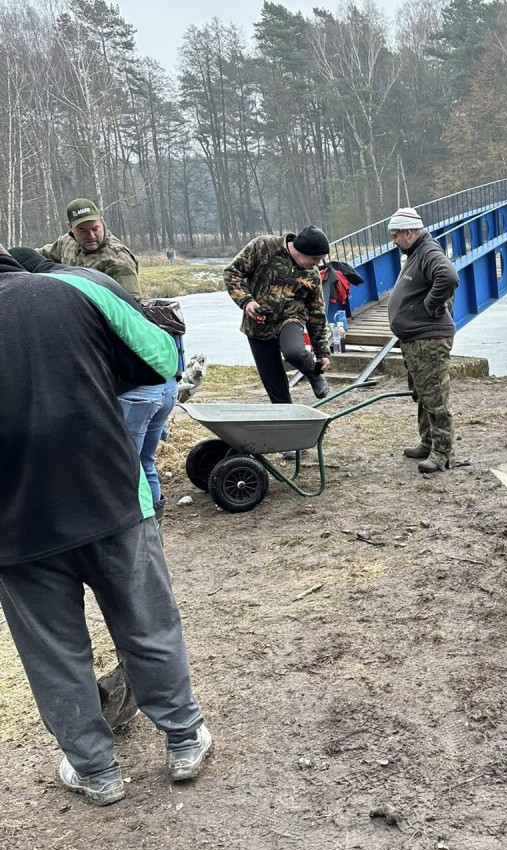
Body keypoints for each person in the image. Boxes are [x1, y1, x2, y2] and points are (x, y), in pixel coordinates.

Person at [0, 244, 212, 806]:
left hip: (15, 529)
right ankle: (184, 740)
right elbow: (162, 357)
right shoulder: (74, 287)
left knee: (53, 651)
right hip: (111, 495)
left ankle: (96, 771)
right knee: (147, 624)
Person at [9, 248, 176, 520]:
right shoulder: (89, 277)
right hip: (165, 387)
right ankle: (154, 523)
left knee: (122, 470)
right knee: (144, 463)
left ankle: (141, 526)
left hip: (139, 393)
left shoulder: (62, 292)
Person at [386, 208, 460, 474]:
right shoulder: (416, 252)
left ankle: (442, 454)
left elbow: (449, 277)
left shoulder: (428, 251)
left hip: (429, 339)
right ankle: (428, 442)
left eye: (396, 235)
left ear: (409, 232)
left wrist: (430, 306)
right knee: (423, 394)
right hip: (416, 339)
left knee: (435, 396)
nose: (393, 241)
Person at [225, 225, 332, 402]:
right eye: (314, 259)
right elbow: (232, 273)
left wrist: (322, 353)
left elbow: (316, 314)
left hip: (291, 318)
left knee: (295, 352)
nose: (317, 264)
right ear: (300, 250)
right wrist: (247, 301)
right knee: (275, 386)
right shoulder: (263, 247)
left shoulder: (312, 275)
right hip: (259, 322)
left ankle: (313, 373)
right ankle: (287, 420)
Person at [38, 198, 142, 299]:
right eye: (82, 230)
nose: (91, 236)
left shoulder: (118, 259)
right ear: (70, 227)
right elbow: (37, 256)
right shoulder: (67, 242)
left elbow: (131, 306)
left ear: (102, 222)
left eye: (95, 228)